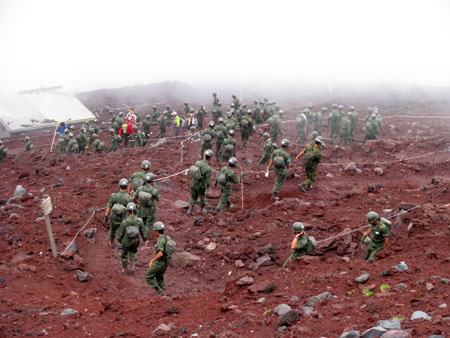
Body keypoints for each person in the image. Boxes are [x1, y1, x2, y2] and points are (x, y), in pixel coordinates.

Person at [116, 202, 147, 274]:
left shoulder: (125, 222)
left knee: (124, 254)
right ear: (135, 211)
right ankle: (133, 265)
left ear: (127, 211)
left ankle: (125, 268)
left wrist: (119, 241)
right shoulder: (139, 221)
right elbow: (143, 232)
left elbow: (121, 234)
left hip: (126, 242)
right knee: (133, 252)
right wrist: (145, 240)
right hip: (136, 241)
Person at [145, 221, 172, 296]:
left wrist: (152, 260)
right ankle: (163, 294)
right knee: (159, 276)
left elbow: (160, 253)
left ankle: (160, 291)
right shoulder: (167, 237)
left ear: (156, 231)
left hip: (160, 262)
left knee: (148, 276)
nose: (154, 232)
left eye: (154, 231)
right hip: (166, 261)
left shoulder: (160, 240)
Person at [104, 178, 131, 248]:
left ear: (119, 186)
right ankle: (120, 243)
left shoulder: (114, 196)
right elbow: (130, 210)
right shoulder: (128, 197)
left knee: (112, 229)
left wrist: (106, 216)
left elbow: (109, 207)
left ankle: (111, 241)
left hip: (114, 217)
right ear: (127, 187)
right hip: (123, 217)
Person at [187, 149, 213, 216]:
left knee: (193, 197)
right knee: (202, 197)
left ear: (205, 155)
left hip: (194, 183)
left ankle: (190, 210)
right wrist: (207, 189)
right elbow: (207, 181)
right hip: (201, 186)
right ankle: (201, 211)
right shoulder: (208, 168)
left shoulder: (197, 162)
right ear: (210, 158)